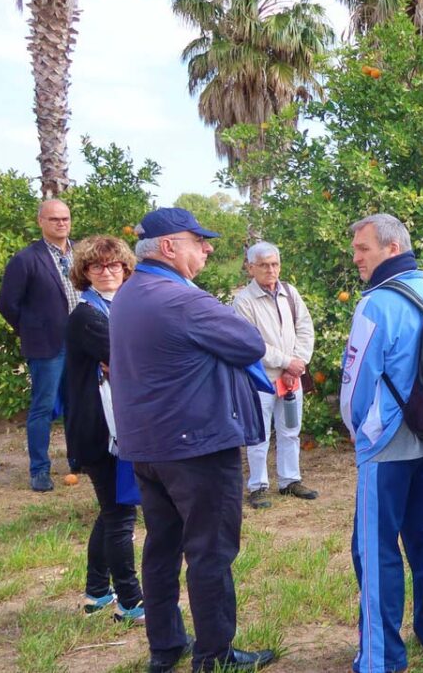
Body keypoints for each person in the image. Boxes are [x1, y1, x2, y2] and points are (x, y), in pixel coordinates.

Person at [111, 208, 274, 673]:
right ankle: (215, 655)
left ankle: (165, 648)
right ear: (167, 247)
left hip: (148, 446)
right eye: (197, 240)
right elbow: (249, 343)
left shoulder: (129, 293)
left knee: (162, 546)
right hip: (196, 447)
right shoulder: (178, 299)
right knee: (210, 550)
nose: (206, 248)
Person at [341, 214, 423, 673]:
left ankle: (381, 657)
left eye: (363, 248)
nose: (356, 257)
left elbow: (355, 384)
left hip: (387, 448)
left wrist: (359, 437)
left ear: (391, 247)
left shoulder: (376, 304)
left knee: (375, 549)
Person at [63, 236, 144, 623]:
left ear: (126, 268)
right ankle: (131, 601)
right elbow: (128, 357)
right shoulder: (87, 315)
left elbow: (129, 359)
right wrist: (126, 362)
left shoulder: (122, 307)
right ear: (85, 273)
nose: (108, 271)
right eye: (97, 266)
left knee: (113, 510)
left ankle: (97, 592)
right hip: (100, 430)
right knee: (120, 515)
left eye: (114, 265)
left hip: (119, 423)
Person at [0, 199, 79, 491]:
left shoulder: (81, 252)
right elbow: (7, 303)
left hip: (81, 343)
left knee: (78, 405)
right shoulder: (26, 259)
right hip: (47, 346)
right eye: (54, 219)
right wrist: (31, 328)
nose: (61, 223)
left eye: (65, 218)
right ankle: (39, 470)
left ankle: (77, 460)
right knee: (43, 407)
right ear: (41, 222)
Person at [232, 241, 317, 509]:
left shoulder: (290, 293)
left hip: (291, 377)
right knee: (259, 434)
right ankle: (258, 486)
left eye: (275, 264)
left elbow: (305, 329)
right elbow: (251, 342)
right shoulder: (243, 301)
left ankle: (290, 481)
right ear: (251, 268)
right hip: (261, 379)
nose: (271, 270)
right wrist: (286, 363)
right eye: (264, 265)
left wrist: (299, 363)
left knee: (291, 430)